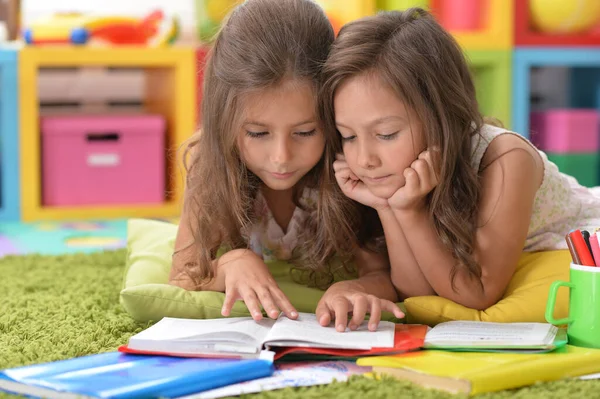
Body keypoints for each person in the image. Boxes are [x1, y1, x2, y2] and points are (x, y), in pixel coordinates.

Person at [321, 7, 599, 311]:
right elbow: (418, 292)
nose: (364, 159)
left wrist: (410, 213)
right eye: (348, 136)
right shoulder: (396, 179)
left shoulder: (507, 159)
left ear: (441, 117)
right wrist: (390, 207)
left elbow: (477, 292)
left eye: (386, 134)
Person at [169, 0, 404, 331]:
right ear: (225, 120)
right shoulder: (212, 161)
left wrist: (354, 287)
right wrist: (233, 262)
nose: (281, 156)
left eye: (305, 131)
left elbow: (384, 273)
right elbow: (181, 275)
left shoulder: (345, 167)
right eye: (258, 132)